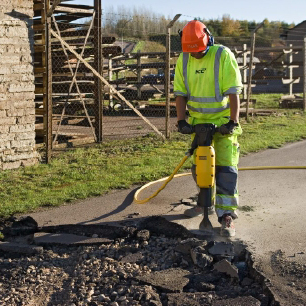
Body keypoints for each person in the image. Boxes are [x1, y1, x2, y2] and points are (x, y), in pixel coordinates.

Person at [173, 20, 243, 237]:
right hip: (198, 125)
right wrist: (181, 121)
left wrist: (232, 122)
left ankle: (227, 216)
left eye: (198, 52)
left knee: (225, 170)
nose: (195, 56)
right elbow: (180, 93)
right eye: (192, 53)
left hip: (222, 123)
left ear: (208, 40)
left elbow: (233, 92)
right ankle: (205, 203)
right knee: (200, 169)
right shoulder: (184, 58)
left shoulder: (223, 55)